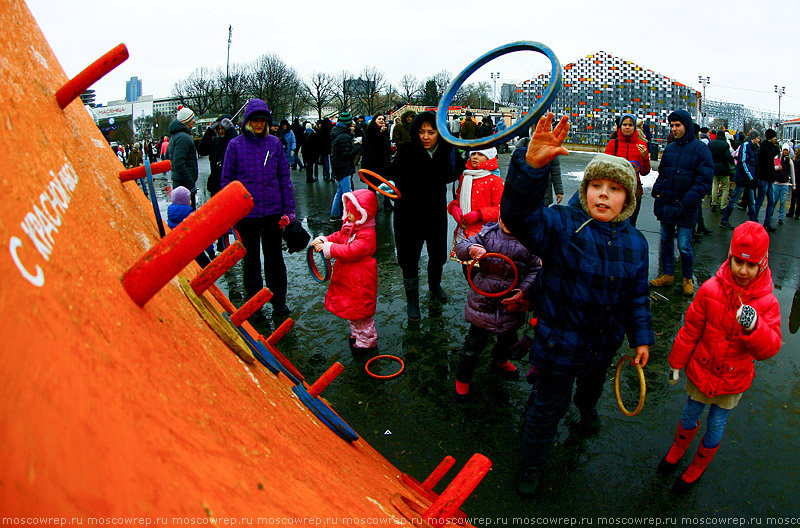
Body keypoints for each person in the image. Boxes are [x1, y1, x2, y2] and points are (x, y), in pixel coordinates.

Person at [500, 113, 653, 497]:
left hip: (602, 347)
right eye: (595, 185)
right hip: (558, 346)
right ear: (583, 191)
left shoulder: (637, 243)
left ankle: (587, 413)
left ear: (629, 199)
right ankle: (532, 464)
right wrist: (529, 169)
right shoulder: (563, 224)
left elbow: (636, 296)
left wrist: (641, 338)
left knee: (589, 390)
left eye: (614, 188)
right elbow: (518, 217)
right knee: (547, 408)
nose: (603, 194)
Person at [657, 221, 781, 493]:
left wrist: (755, 327)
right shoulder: (711, 288)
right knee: (690, 414)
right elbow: (690, 330)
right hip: (701, 371)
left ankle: (699, 464)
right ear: (730, 256)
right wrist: (676, 363)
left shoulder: (767, 303)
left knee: (716, 424)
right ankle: (678, 447)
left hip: (731, 381)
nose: (743, 270)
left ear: (762, 263)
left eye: (751, 265)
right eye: (738, 262)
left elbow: (769, 349)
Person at [220, 98, 295, 321]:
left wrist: (289, 211)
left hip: (272, 212)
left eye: (263, 120)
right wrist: (231, 212)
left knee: (275, 260)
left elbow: (285, 179)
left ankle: (279, 302)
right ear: (247, 122)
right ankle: (255, 306)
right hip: (246, 215)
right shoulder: (234, 145)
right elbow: (227, 182)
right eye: (255, 120)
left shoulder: (274, 144)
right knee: (250, 261)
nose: (259, 124)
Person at [452, 217, 542, 402]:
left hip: (511, 304)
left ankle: (500, 360)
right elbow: (462, 247)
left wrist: (523, 290)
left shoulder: (529, 240)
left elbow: (535, 269)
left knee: (508, 340)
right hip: (484, 302)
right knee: (474, 344)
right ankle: (462, 378)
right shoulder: (488, 233)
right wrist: (471, 249)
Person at [390, 111, 461, 320]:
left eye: (431, 132)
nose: (426, 137)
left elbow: (457, 171)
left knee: (437, 253)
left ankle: (434, 285)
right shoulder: (406, 150)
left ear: (439, 133)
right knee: (409, 257)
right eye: (421, 132)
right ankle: (412, 300)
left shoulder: (447, 150)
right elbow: (390, 173)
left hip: (434, 211)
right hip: (408, 213)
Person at [650, 110, 713, 297]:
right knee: (666, 240)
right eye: (672, 125)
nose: (674, 129)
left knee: (684, 245)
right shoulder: (670, 148)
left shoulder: (700, 149)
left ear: (686, 126)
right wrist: (658, 192)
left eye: (677, 125)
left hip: (686, 207)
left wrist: (687, 201)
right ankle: (668, 274)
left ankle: (687, 278)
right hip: (668, 204)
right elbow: (663, 173)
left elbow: (704, 180)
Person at [311, 189, 379, 353]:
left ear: (363, 214)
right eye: (347, 211)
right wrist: (324, 239)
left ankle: (367, 343)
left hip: (360, 282)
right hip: (350, 280)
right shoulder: (350, 228)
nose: (348, 216)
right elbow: (338, 236)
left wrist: (329, 248)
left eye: (353, 213)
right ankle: (357, 335)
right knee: (353, 311)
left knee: (361, 314)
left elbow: (352, 250)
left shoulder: (367, 234)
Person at [447, 147, 504, 279]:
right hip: (466, 231)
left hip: (485, 235)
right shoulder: (466, 176)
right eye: (473, 154)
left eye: (480, 154)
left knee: (483, 272)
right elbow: (459, 198)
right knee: (467, 271)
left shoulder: (495, 180)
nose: (475, 157)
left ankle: (483, 297)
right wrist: (455, 207)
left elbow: (501, 209)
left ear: (489, 157)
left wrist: (479, 214)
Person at [604, 113, 651, 227]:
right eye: (624, 124)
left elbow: (645, 172)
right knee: (613, 222)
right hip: (615, 189)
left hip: (634, 191)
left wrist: (645, 157)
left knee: (630, 225)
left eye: (630, 125)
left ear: (635, 127)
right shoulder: (613, 144)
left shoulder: (641, 144)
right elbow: (604, 167)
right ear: (620, 126)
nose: (627, 127)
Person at [720, 130, 761, 230]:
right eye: (758, 138)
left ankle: (754, 221)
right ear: (754, 138)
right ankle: (724, 220)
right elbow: (743, 162)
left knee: (751, 201)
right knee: (736, 200)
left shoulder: (753, 147)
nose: (759, 140)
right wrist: (751, 177)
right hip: (744, 178)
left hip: (747, 178)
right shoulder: (747, 146)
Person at [167, 186, 215, 266]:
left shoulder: (171, 215)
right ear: (187, 201)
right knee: (207, 268)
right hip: (194, 251)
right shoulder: (192, 217)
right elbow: (203, 236)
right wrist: (211, 251)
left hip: (178, 253)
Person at [329, 112, 361, 222]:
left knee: (340, 191)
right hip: (343, 167)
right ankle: (350, 215)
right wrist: (358, 145)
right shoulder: (344, 136)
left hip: (339, 166)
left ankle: (335, 214)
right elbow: (347, 154)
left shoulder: (338, 133)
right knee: (348, 193)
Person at [167, 107, 199, 208]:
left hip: (180, 182)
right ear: (186, 121)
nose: (194, 121)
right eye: (192, 119)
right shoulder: (183, 138)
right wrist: (191, 183)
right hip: (184, 184)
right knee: (187, 214)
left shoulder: (176, 136)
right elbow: (179, 163)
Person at [197, 116, 237, 198]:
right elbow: (202, 150)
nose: (220, 131)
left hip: (231, 184)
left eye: (223, 128)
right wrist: (209, 131)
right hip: (215, 185)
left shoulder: (232, 142)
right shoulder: (215, 142)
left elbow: (238, 147)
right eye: (218, 129)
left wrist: (231, 130)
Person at [361, 114, 394, 211]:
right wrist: (381, 133)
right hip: (373, 163)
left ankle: (387, 203)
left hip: (384, 162)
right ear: (374, 120)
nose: (381, 120)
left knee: (385, 182)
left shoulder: (383, 131)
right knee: (372, 185)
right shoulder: (371, 130)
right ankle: (371, 205)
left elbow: (385, 144)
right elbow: (373, 146)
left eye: (383, 119)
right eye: (379, 119)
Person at [755, 129, 780, 232]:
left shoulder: (767, 147)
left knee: (770, 200)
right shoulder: (765, 148)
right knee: (761, 200)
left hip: (768, 178)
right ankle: (756, 221)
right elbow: (769, 161)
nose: (776, 139)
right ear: (770, 137)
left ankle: (766, 222)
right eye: (774, 137)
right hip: (765, 177)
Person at [708, 130, 735, 212]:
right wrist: (732, 163)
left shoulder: (711, 143)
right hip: (724, 169)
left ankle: (714, 203)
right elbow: (728, 156)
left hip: (714, 168)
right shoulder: (725, 144)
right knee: (725, 187)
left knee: (715, 186)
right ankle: (723, 206)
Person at [774, 144, 796, 225]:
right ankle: (770, 213)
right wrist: (777, 168)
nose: (785, 152)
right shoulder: (777, 158)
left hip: (785, 184)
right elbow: (773, 167)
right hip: (777, 183)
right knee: (774, 200)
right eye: (784, 150)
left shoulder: (790, 161)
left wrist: (794, 185)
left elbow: (792, 173)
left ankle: (781, 217)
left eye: (787, 150)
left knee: (783, 201)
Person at [790, 148, 800, 219]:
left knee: (794, 197)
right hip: (797, 180)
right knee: (796, 198)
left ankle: (792, 212)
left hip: (797, 180)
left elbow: (795, 170)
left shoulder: (797, 161)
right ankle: (796, 213)